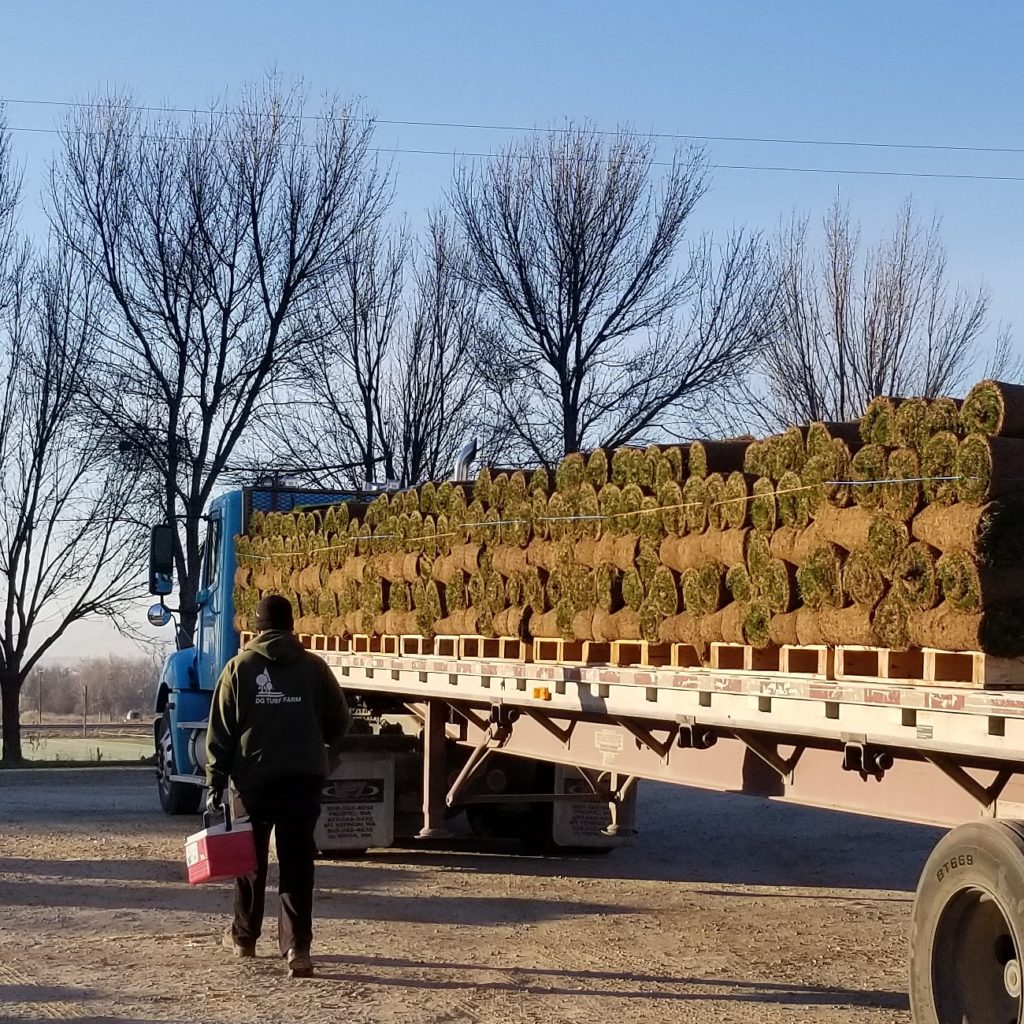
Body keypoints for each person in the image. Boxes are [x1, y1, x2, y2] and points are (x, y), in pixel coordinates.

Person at [205, 593, 350, 978]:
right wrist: (316, 742)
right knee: (297, 863)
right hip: (303, 780)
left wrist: (214, 781)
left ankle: (243, 938)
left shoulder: (239, 667)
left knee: (248, 862)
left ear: (256, 627)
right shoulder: (315, 668)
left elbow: (220, 732)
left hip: (253, 781)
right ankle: (297, 949)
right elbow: (340, 722)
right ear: (291, 625)